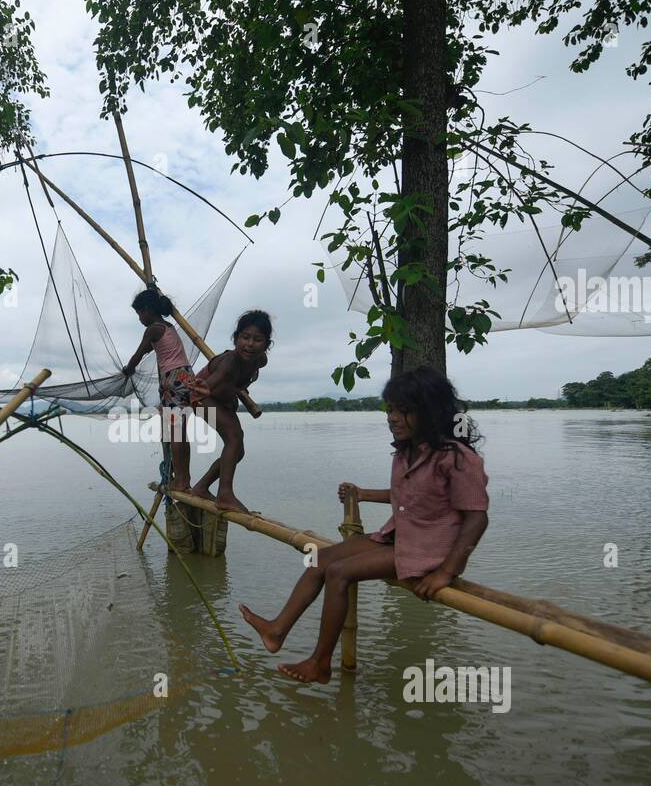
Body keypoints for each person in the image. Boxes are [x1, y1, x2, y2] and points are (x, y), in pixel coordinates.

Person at [238, 366, 489, 683]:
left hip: (428, 552)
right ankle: (277, 630)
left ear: (430, 412)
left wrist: (447, 571)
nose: (393, 418)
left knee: (339, 572)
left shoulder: (457, 458)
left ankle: (320, 663)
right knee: (320, 559)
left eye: (404, 411)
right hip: (398, 538)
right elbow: (411, 496)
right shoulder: (406, 452)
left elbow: (476, 517)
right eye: (390, 410)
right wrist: (363, 494)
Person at [184, 310, 271, 513]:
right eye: (245, 337)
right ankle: (225, 495)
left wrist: (235, 391)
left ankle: (201, 486)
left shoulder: (260, 361)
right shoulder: (229, 361)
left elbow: (234, 382)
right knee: (234, 438)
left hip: (223, 401)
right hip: (202, 398)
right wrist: (205, 386)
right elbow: (211, 383)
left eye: (257, 339)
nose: (250, 344)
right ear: (235, 338)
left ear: (266, 345)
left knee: (237, 450)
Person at [122, 287, 194, 492]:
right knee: (180, 432)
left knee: (175, 433)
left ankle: (180, 481)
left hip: (172, 380)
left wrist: (128, 369)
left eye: (139, 313)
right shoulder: (169, 326)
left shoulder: (153, 329)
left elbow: (138, 355)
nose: (139, 318)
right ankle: (184, 478)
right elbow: (149, 349)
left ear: (147, 310)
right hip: (187, 378)